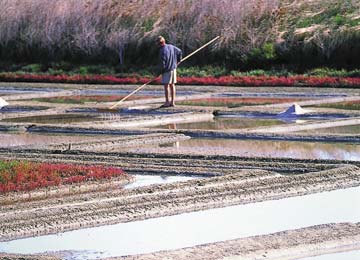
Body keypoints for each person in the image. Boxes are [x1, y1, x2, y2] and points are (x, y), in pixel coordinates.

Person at [157, 36, 182, 107]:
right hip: (173, 69)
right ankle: (172, 102)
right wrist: (178, 61)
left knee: (166, 86)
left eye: (158, 44)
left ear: (161, 43)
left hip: (167, 70)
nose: (158, 45)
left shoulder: (162, 51)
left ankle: (167, 102)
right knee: (172, 85)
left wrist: (159, 73)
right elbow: (179, 51)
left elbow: (162, 64)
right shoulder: (171, 46)